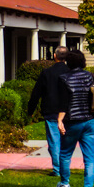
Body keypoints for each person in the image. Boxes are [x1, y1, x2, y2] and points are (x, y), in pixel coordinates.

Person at [56, 50, 94, 187]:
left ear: (68, 62)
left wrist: (60, 119)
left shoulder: (63, 78)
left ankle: (65, 184)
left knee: (65, 154)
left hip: (72, 122)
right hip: (91, 121)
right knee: (90, 157)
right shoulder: (91, 77)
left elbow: (63, 102)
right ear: (83, 62)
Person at [27, 46, 70, 176]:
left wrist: (31, 109)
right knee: (66, 142)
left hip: (51, 111)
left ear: (55, 56)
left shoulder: (47, 73)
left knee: (54, 141)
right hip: (68, 112)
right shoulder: (70, 72)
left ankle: (58, 169)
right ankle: (64, 167)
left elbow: (36, 93)